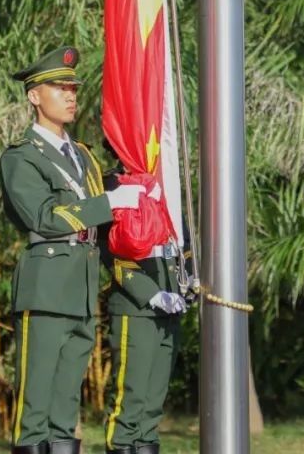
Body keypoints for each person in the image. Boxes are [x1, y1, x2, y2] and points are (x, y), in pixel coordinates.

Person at [0, 45, 149, 454]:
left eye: (72, 88)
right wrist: (107, 203)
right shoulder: (22, 157)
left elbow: (101, 220)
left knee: (66, 407)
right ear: (34, 96)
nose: (70, 96)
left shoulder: (82, 156)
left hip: (81, 289)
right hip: (45, 287)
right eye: (59, 88)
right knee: (35, 407)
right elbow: (43, 217)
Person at [100, 145, 187, 454]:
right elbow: (111, 254)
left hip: (170, 304)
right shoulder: (112, 185)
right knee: (130, 400)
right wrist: (151, 294)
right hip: (135, 308)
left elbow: (180, 245)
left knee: (152, 406)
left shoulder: (165, 186)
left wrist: (186, 284)